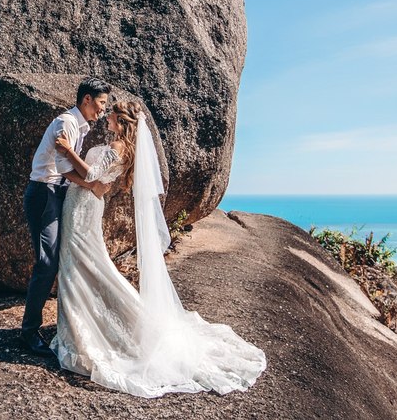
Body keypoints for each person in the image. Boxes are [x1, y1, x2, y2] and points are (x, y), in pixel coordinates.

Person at [50, 100, 268, 398]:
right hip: (85, 203)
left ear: (120, 119)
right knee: (84, 263)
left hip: (82, 207)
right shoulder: (120, 146)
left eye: (111, 113)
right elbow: (97, 183)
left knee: (78, 263)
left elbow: (91, 177)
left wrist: (67, 151)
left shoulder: (118, 147)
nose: (107, 116)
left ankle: (91, 329)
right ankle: (79, 326)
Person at [19, 77, 113, 356]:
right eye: (101, 103)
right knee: (46, 262)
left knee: (66, 257)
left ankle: (69, 323)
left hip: (58, 193)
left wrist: (90, 184)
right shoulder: (66, 124)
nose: (103, 111)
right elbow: (63, 168)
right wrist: (92, 184)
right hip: (43, 192)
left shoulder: (79, 126)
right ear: (86, 99)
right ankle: (28, 332)